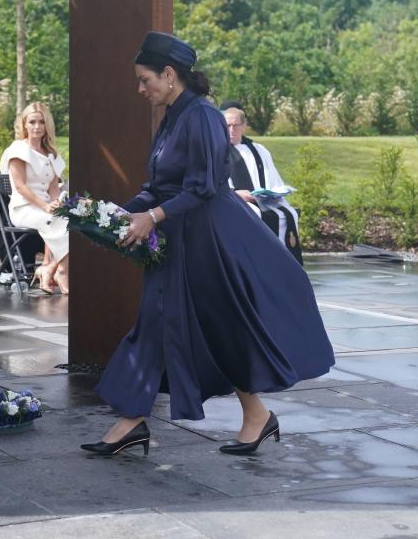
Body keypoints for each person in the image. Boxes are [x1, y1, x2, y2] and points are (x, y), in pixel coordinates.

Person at [82, 32, 334, 457]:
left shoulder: (201, 116)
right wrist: (117, 215)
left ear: (168, 74)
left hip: (209, 240)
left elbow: (201, 188)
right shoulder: (173, 117)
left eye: (145, 80)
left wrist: (153, 217)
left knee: (217, 325)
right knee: (159, 324)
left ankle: (248, 417)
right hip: (182, 239)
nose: (140, 89)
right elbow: (159, 186)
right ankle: (135, 422)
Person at [0, 102, 69, 294]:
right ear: (25, 125)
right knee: (57, 221)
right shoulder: (18, 149)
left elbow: (54, 187)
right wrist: (45, 205)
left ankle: (48, 268)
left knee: (69, 218)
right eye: (32, 122)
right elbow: (20, 186)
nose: (37, 126)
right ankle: (60, 271)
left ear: (47, 125)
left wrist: (55, 203)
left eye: (41, 122)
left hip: (45, 207)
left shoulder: (51, 153)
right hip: (24, 208)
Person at [222, 102, 304, 265]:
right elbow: (217, 184)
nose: (232, 130)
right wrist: (236, 194)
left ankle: (286, 266)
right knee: (255, 215)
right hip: (236, 201)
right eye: (228, 125)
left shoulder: (259, 150)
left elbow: (273, 180)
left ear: (244, 126)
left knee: (287, 213)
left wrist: (273, 193)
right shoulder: (217, 151)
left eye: (236, 125)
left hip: (264, 200)